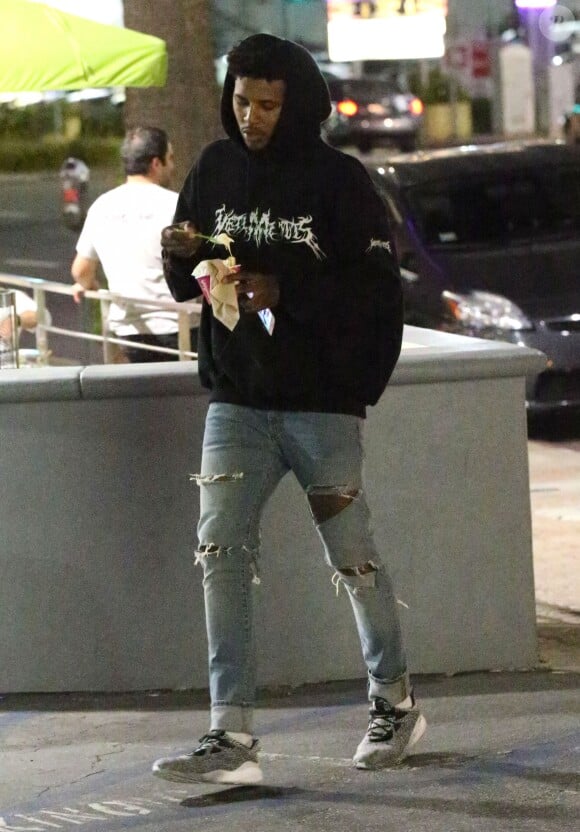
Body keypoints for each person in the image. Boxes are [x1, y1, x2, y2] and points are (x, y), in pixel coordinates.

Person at [151, 34, 425, 785]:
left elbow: (377, 292)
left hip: (321, 404)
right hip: (237, 399)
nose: (252, 117)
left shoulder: (339, 182)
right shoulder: (214, 168)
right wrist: (181, 251)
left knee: (354, 559)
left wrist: (287, 290)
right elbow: (188, 282)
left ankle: (394, 703)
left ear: (297, 103)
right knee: (220, 555)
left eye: (268, 104)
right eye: (241, 100)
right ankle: (230, 736)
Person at [70, 126, 198, 362]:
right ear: (156, 163)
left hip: (126, 331)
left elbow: (80, 271)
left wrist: (90, 285)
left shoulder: (102, 206)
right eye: (170, 158)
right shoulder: (176, 204)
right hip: (179, 329)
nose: (173, 165)